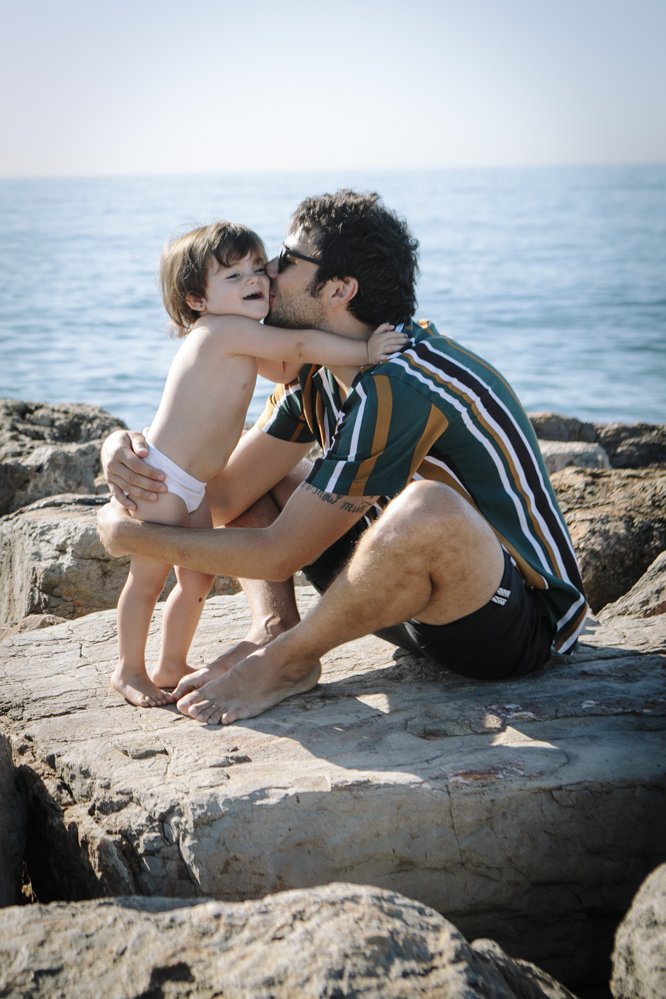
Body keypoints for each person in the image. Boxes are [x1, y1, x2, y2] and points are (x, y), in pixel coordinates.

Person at [98, 190, 587, 726]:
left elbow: (279, 553)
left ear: (338, 289)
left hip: (508, 627)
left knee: (428, 508)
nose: (267, 275)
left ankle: (288, 662)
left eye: (283, 261)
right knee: (266, 473)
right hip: (394, 597)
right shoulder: (314, 374)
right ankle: (275, 629)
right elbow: (223, 495)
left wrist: (132, 538)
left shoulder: (404, 384)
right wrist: (130, 453)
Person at [110, 220, 407, 707]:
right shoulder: (220, 332)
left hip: (194, 485)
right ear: (196, 301)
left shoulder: (243, 335)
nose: (254, 279)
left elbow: (287, 369)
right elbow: (296, 350)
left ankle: (169, 662)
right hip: (163, 479)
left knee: (197, 580)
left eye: (256, 268)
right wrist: (364, 351)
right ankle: (128, 670)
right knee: (146, 582)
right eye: (233, 276)